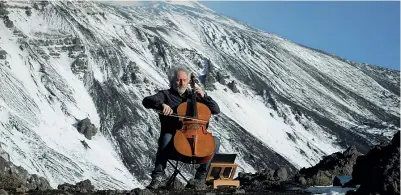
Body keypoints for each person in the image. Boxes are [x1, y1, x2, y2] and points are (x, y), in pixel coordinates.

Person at [142, 67, 221, 189]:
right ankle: (157, 176)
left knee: (215, 141)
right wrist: (161, 104)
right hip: (175, 143)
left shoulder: (194, 96)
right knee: (166, 137)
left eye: (184, 80)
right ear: (173, 81)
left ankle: (200, 177)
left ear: (189, 81)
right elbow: (147, 101)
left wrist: (204, 96)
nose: (182, 83)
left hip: (197, 139)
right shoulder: (165, 95)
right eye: (179, 80)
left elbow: (216, 110)